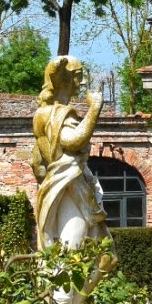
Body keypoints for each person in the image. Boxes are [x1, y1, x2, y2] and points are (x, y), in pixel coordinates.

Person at [32, 56, 105, 253]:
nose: (82, 82)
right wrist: (94, 109)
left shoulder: (45, 113)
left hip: (62, 184)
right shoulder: (57, 113)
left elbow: (37, 165)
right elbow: (72, 141)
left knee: (69, 250)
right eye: (78, 76)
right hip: (68, 187)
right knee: (73, 248)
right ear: (65, 79)